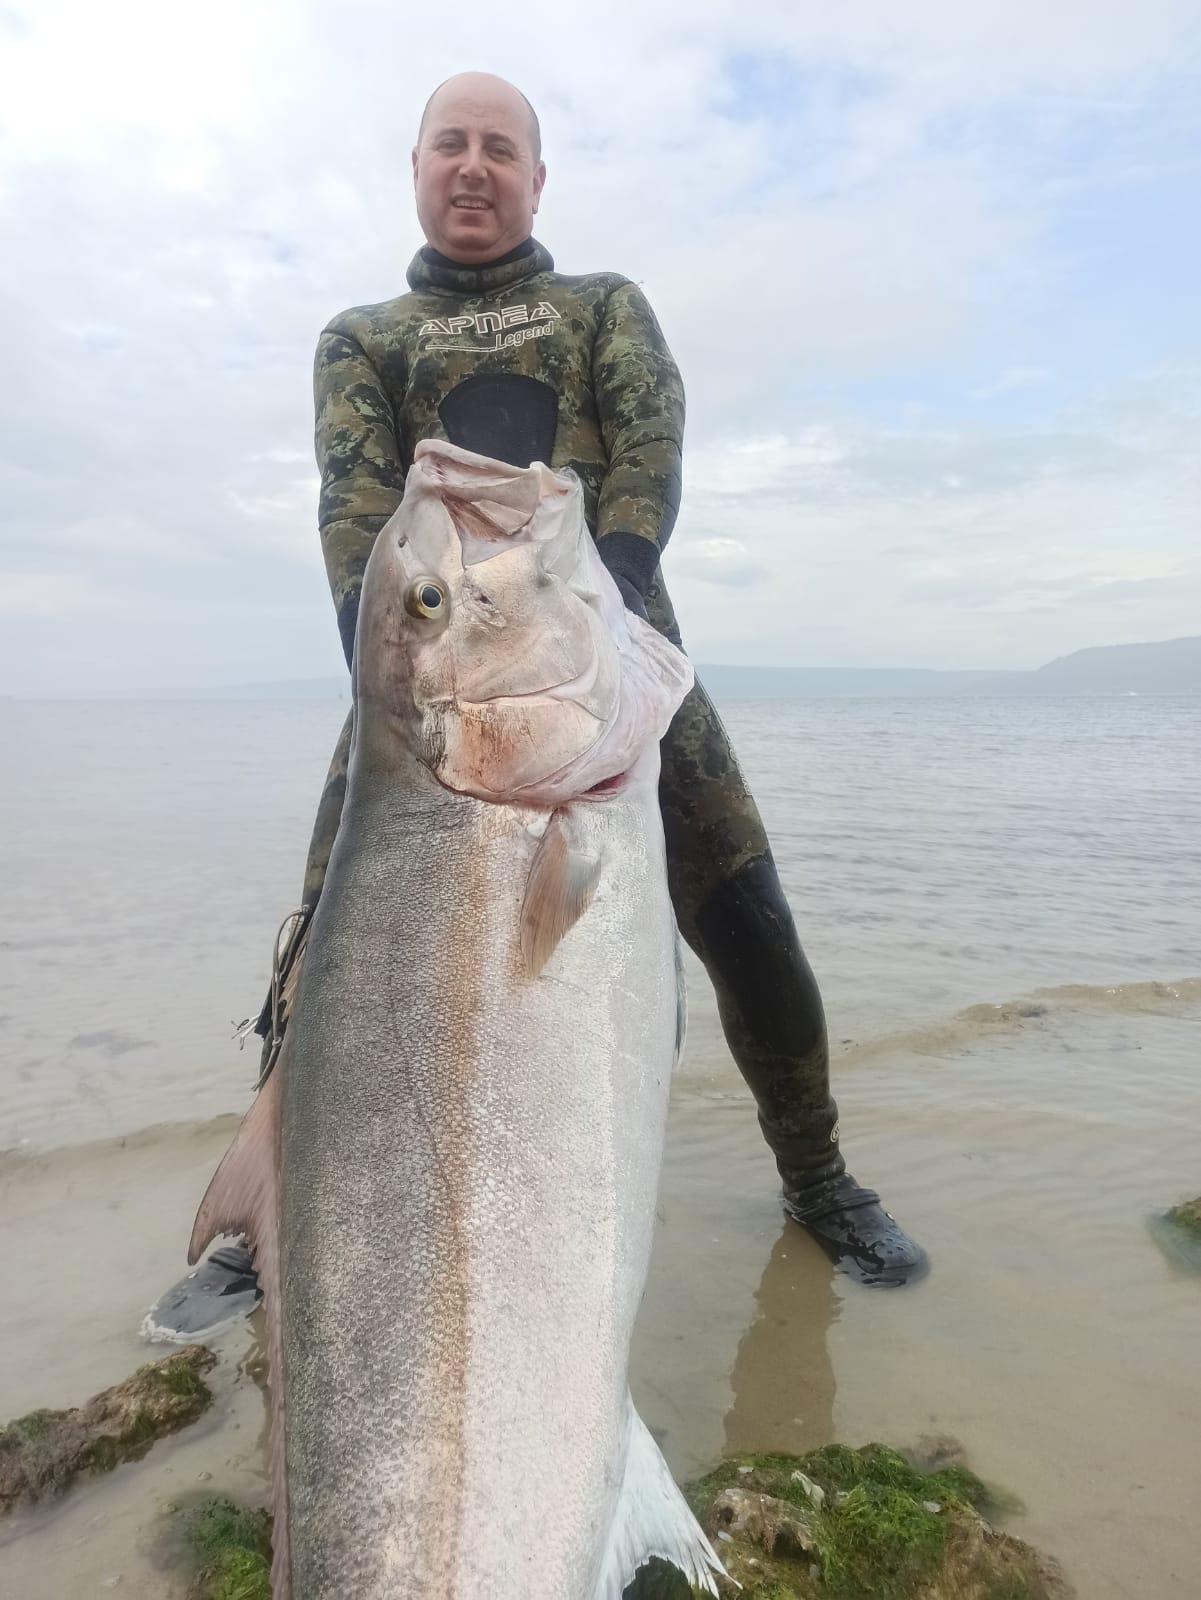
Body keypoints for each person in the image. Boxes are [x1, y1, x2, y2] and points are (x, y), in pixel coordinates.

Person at [151, 71, 923, 1341]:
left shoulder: (600, 306)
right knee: (327, 951)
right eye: (449, 144)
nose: (473, 166)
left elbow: (649, 449)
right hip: (427, 696)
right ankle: (266, 1220)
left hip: (617, 670)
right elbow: (354, 519)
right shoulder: (362, 339)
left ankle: (818, 1179)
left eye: (498, 147)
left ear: (536, 177)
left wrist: (596, 606)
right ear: (413, 166)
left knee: (749, 922)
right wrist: (410, 658)